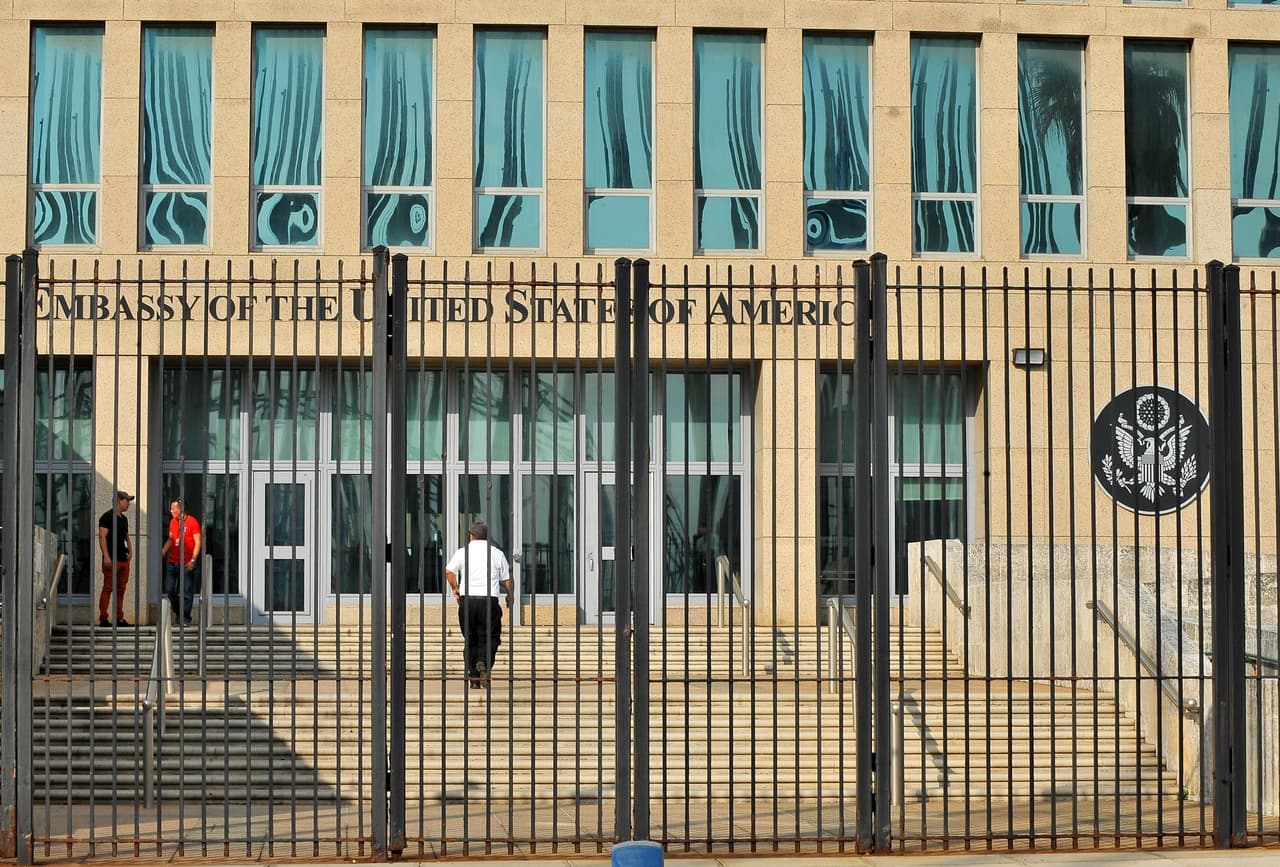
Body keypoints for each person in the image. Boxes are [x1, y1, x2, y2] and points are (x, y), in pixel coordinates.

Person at [444, 521, 511, 689]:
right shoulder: (496, 553)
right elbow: (507, 578)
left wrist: (455, 588)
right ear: (486, 536)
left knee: (470, 638)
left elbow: (449, 571)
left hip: (468, 600)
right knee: (490, 636)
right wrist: (510, 595)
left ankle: (473, 677)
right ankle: (484, 662)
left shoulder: (462, 552)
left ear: (471, 535)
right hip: (489, 600)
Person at [160, 497, 202, 626]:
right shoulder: (173, 522)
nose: (171, 510)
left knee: (187, 591)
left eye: (173, 508)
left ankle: (184, 618)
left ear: (181, 509)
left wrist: (193, 560)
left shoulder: (192, 522)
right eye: (171, 508)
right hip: (173, 561)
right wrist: (163, 551)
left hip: (187, 562)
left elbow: (198, 542)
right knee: (170, 589)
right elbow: (171, 539)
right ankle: (180, 612)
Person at [96, 491, 134, 627]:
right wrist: (106, 556)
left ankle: (119, 618)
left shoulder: (124, 519)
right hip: (112, 559)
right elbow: (102, 536)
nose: (128, 503)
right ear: (119, 500)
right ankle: (103, 618)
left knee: (121, 589)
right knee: (108, 588)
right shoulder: (106, 517)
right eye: (126, 500)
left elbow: (126, 536)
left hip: (123, 559)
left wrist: (130, 550)